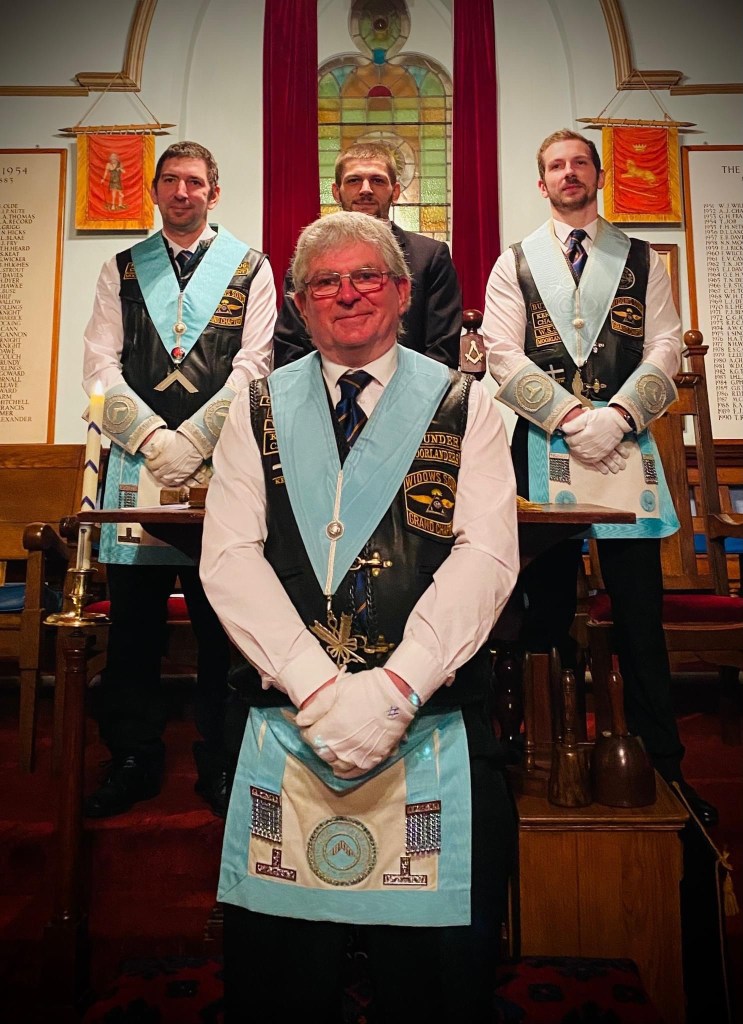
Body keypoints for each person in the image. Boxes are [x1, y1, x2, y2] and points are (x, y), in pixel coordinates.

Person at [200, 211, 519, 1022]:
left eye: (365, 276)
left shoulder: (466, 404)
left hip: (431, 723)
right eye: (324, 283)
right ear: (300, 306)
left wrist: (395, 690)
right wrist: (315, 689)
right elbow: (230, 558)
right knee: (282, 983)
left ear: (402, 291)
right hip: (287, 726)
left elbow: (484, 558)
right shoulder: (255, 406)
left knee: (436, 986)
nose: (347, 295)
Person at [482, 127, 718, 827]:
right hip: (545, 452)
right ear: (541, 181)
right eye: (555, 165)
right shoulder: (513, 261)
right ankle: (538, 761)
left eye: (579, 163)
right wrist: (571, 420)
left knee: (639, 616)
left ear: (598, 174)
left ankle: (662, 764)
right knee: (545, 612)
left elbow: (667, 343)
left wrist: (613, 418)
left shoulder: (642, 259)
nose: (567, 174)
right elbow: (498, 350)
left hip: (626, 450)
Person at [82, 140, 276, 818]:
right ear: (156, 192)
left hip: (219, 470)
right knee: (133, 626)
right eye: (171, 181)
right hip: (138, 469)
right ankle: (133, 755)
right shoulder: (121, 269)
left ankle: (220, 760)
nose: (183, 192)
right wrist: (153, 439)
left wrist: (193, 439)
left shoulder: (252, 268)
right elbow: (100, 368)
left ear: (213, 193)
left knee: (219, 622)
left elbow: (256, 366)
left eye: (195, 182)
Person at [273, 141, 462, 369]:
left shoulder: (430, 257)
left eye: (377, 180)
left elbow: (442, 349)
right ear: (336, 191)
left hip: (415, 396)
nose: (365, 189)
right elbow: (290, 346)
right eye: (354, 180)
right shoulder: (310, 259)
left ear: (395, 191)